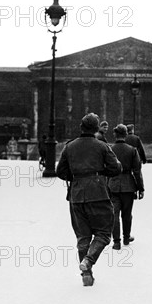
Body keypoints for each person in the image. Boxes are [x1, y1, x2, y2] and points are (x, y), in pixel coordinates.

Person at [56, 113, 122, 287]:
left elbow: (60, 171)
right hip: (98, 192)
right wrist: (100, 174)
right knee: (103, 233)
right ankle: (89, 261)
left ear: (81, 127)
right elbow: (115, 168)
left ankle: (86, 273)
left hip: (76, 195)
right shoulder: (102, 146)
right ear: (96, 129)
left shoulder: (69, 146)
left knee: (83, 236)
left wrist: (76, 176)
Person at [108, 124, 144, 250]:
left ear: (115, 135)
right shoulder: (132, 150)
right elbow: (137, 171)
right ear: (126, 135)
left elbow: (105, 169)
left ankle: (116, 241)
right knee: (127, 213)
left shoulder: (110, 149)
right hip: (128, 184)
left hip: (113, 184)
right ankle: (126, 237)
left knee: (114, 214)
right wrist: (141, 188)